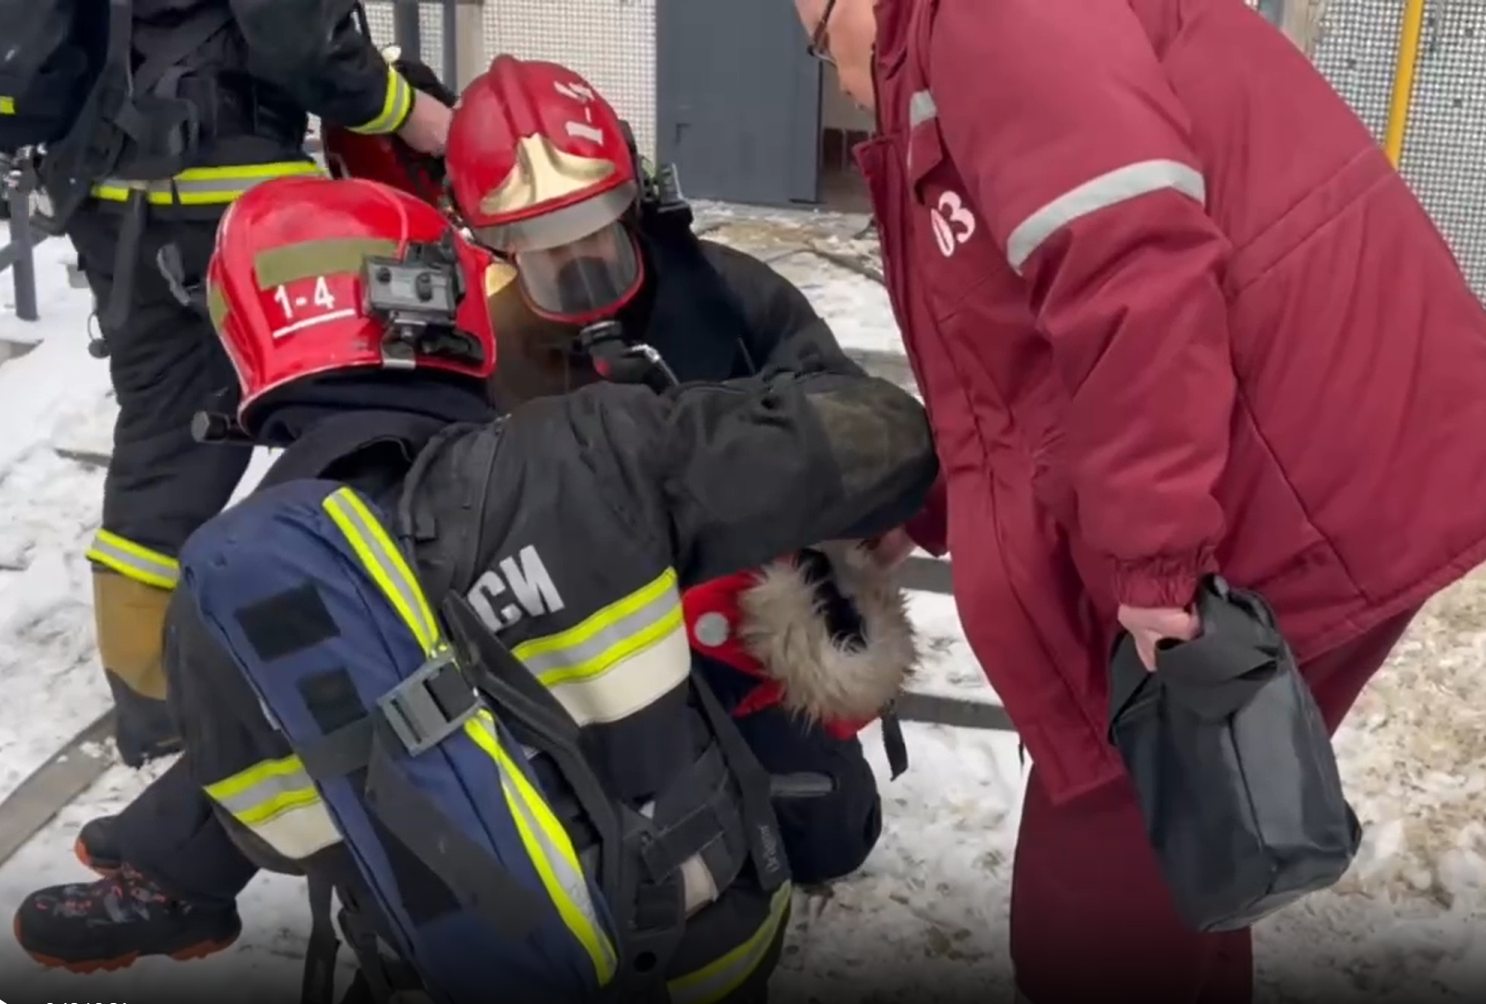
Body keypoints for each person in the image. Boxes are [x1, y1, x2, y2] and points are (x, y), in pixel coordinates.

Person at [11, 61, 921, 972]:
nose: (578, 264)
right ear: (483, 242)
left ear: (634, 200)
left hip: (714, 613)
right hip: (526, 616)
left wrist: (817, 491)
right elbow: (407, 532)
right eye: (540, 243)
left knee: (830, 828)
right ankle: (176, 871)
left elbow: (847, 422)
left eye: (596, 229)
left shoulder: (724, 296)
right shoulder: (461, 337)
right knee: (336, 659)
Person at [792, 0, 1486, 1002]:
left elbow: (1134, 267)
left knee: (1096, 907)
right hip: (1267, 467)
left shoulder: (989, 18)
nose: (844, 86)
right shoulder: (952, 53)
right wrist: (931, 507)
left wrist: (1153, 564)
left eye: (817, 47)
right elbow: (1023, 372)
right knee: (1171, 851)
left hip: (1285, 483)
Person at [50, 0, 454, 766]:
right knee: (351, 408)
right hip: (223, 195)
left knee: (165, 442)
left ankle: (153, 699)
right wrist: (408, 111)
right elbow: (296, 38)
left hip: (110, 187)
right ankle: (356, 658)